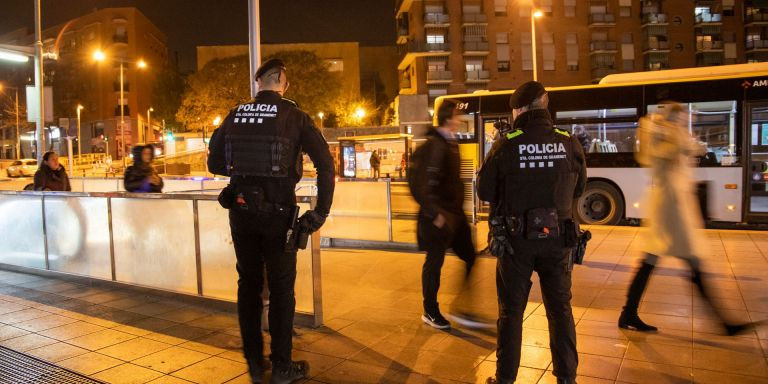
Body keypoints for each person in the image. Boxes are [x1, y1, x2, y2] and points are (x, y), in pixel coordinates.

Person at [207, 58, 335, 384]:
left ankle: (253, 362)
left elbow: (215, 162)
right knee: (280, 291)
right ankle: (281, 366)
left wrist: (243, 173)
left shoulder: (235, 114)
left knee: (248, 286)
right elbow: (326, 166)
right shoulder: (295, 117)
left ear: (258, 82)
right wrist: (319, 213)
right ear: (283, 84)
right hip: (280, 217)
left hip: (241, 213)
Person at [477, 81, 586, 384]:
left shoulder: (507, 142)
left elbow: (484, 190)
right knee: (560, 310)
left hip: (516, 242)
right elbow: (580, 187)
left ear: (519, 110)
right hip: (559, 239)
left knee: (511, 313)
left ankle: (505, 379)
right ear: (545, 104)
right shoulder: (568, 141)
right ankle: (567, 379)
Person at [618, 102, 752, 335]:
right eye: (681, 117)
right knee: (686, 263)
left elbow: (695, 148)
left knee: (651, 262)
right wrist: (675, 134)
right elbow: (656, 154)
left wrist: (684, 139)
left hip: (675, 208)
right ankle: (725, 323)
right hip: (669, 210)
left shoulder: (672, 136)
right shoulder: (661, 137)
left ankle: (628, 312)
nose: (685, 122)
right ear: (673, 117)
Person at [409, 99, 483, 330]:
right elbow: (419, 185)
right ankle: (430, 310)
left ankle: (462, 309)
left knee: (470, 256)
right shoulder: (434, 145)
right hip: (438, 217)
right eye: (457, 116)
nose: (460, 120)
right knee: (434, 262)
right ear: (448, 118)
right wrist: (436, 214)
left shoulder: (451, 142)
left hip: (454, 216)